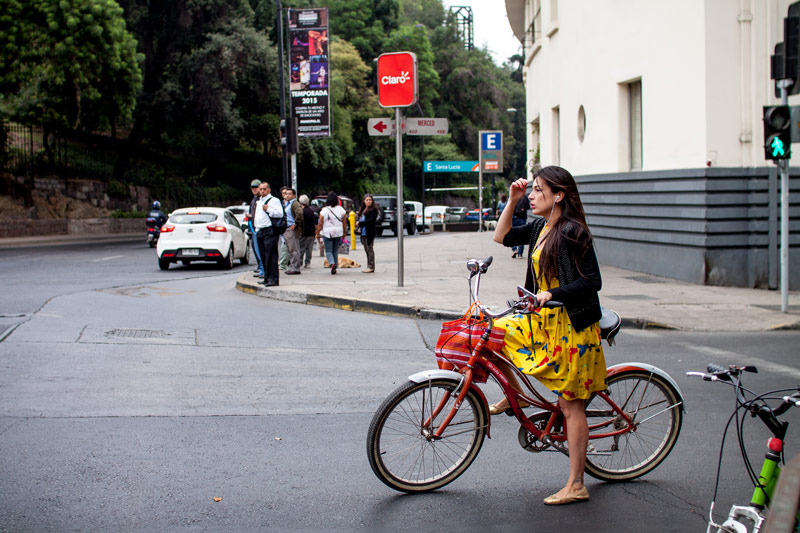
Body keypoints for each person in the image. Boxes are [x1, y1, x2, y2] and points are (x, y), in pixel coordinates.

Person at [491, 165, 607, 506]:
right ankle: (518, 395)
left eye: (538, 190)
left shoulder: (573, 231)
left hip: (572, 327)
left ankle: (576, 484)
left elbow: (592, 281)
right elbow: (502, 237)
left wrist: (552, 293)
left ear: (559, 196)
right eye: (532, 189)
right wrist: (512, 201)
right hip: (544, 320)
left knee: (571, 407)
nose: (532, 194)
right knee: (494, 332)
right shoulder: (541, 226)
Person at [253, 181, 284, 287]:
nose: (262, 191)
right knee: (263, 256)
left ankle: (273, 279)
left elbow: (280, 213)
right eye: (260, 189)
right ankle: (267, 278)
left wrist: (268, 209)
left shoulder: (273, 200)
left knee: (271, 255)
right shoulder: (259, 201)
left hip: (269, 230)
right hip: (260, 230)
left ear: (269, 190)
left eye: (264, 189)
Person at [315, 191, 346, 275]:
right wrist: (344, 232)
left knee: (328, 250)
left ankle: (332, 263)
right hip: (338, 232)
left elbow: (320, 223)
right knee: (335, 250)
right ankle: (335, 264)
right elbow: (344, 222)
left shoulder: (324, 210)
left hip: (327, 233)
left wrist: (317, 232)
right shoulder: (341, 209)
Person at [356, 194, 378, 273]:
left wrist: (360, 223)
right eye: (367, 200)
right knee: (366, 249)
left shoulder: (373, 210)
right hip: (363, 232)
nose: (368, 201)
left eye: (370, 200)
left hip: (369, 232)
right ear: (364, 201)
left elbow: (371, 221)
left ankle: (371, 266)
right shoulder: (363, 210)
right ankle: (369, 265)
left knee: (370, 249)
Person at [283, 188, 303, 275]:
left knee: (294, 249)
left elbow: (300, 213)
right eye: (286, 194)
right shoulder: (287, 204)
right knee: (289, 250)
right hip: (286, 228)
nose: (287, 195)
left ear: (294, 195)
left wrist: (295, 224)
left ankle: (295, 267)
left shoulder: (295, 204)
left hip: (291, 229)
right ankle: (292, 266)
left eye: (290, 194)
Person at [248, 179, 264, 277]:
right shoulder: (254, 199)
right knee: (256, 249)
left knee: (260, 250)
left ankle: (262, 269)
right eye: (252, 187)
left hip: (258, 228)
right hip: (254, 228)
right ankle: (260, 267)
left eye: (256, 187)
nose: (254, 189)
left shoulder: (261, 200)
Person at [298, 195, 316, 268]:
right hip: (311, 232)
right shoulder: (311, 211)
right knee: (309, 248)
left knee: (301, 248)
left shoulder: (301, 211)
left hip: (304, 232)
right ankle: (307, 262)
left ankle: (300, 262)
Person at [511, 193, 529, 258]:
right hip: (522, 218)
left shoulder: (514, 196)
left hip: (514, 218)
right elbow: (528, 207)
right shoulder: (525, 197)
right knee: (522, 235)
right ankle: (520, 253)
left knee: (513, 234)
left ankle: (514, 249)